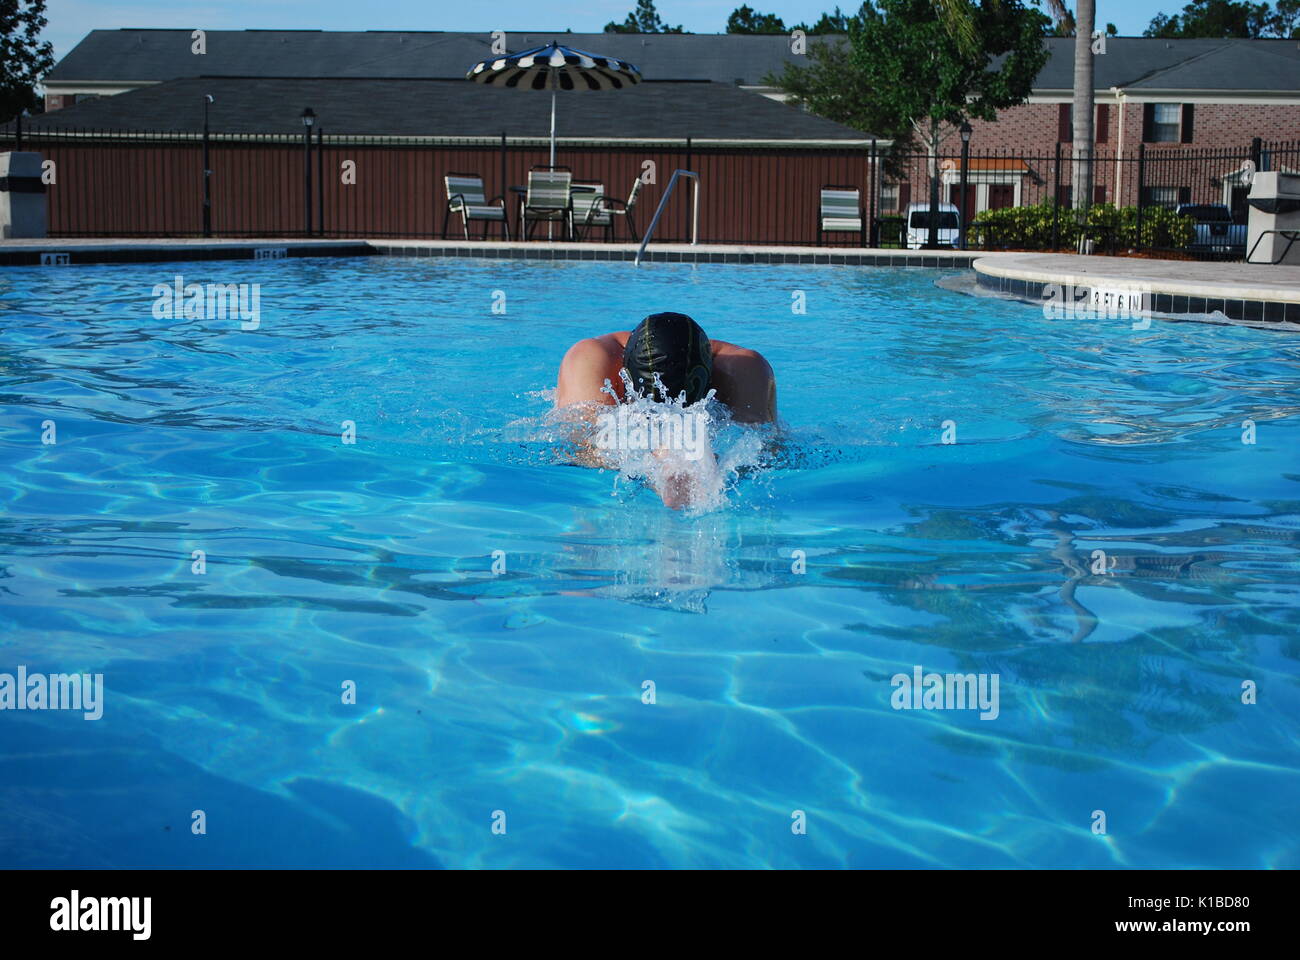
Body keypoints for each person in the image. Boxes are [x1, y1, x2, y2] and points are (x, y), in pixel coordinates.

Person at [554, 312, 777, 508]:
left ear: (709, 379)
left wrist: (718, 463)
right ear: (624, 376)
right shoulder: (589, 359)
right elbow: (579, 444)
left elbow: (764, 447)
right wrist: (652, 466)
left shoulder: (743, 368)